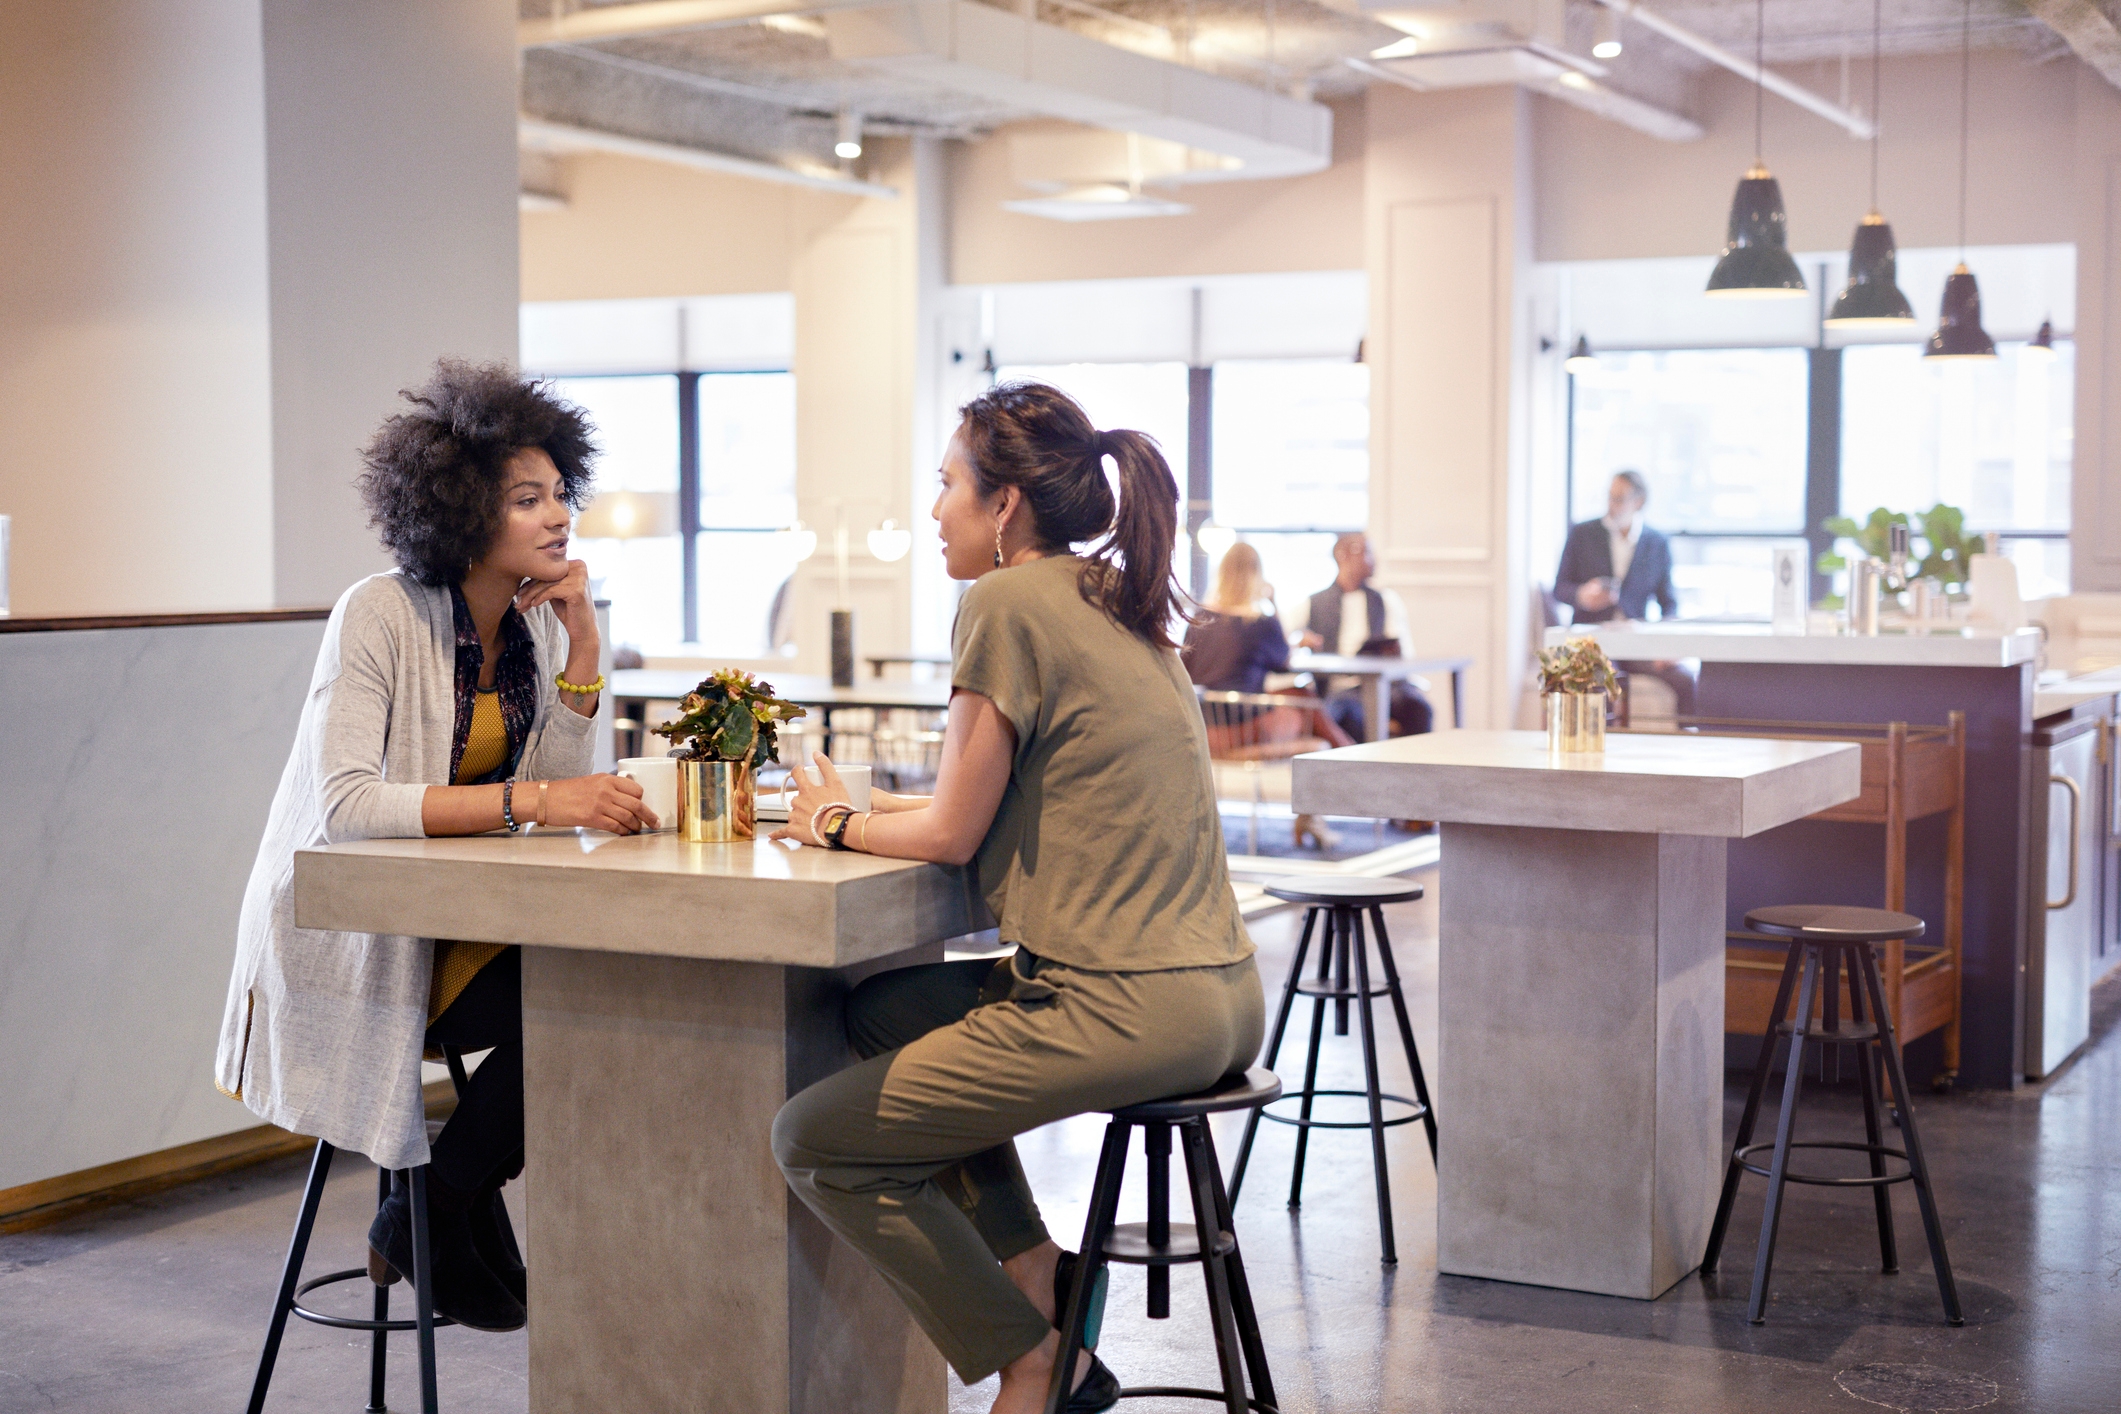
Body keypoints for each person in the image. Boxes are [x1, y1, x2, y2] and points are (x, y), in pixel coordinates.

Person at [768, 381, 1265, 1414]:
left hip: (1118, 1003)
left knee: (814, 1140)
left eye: (947, 483)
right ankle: (1034, 1262)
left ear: (1004, 508)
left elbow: (952, 833)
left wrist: (831, 823)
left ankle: (1032, 1356)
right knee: (876, 1013)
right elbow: (1005, 793)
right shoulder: (1113, 599)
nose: (937, 506)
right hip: (1219, 996)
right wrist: (870, 807)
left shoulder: (1000, 603)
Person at [213, 361, 658, 1334]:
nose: (557, 517)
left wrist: (584, 651)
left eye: (558, 494)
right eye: (525, 498)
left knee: (613, 983)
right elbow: (348, 806)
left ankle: (434, 1200)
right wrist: (543, 798)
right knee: (581, 997)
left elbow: (552, 783)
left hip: (450, 928)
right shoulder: (378, 612)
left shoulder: (528, 635)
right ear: (460, 508)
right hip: (350, 938)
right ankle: (440, 1202)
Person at [1184, 541, 1354, 850]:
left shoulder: (1199, 618)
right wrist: (1273, 604)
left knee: (1300, 695)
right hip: (1240, 732)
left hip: (1204, 729)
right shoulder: (1259, 623)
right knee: (1305, 704)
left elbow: (1186, 669)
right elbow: (1284, 661)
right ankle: (1351, 762)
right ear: (1257, 577)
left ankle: (1348, 758)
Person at [1553, 470, 1693, 714]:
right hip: (1592, 640)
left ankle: (1687, 745)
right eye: (1609, 497)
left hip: (1635, 640)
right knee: (1602, 677)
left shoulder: (1657, 543)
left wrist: (1667, 644)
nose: (1611, 505)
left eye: (1619, 499)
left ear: (1638, 502)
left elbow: (1669, 604)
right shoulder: (1582, 533)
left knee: (1685, 680)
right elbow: (1560, 589)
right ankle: (1602, 746)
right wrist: (1582, 596)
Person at [1289, 531, 1434, 740]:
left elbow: (1406, 652)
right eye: (1366, 552)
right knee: (1349, 714)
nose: (1373, 560)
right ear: (1343, 556)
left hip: (1384, 686)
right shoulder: (1314, 603)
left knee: (1419, 709)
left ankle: (1414, 771)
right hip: (1340, 689)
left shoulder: (1385, 600)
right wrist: (1301, 641)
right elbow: (1283, 637)